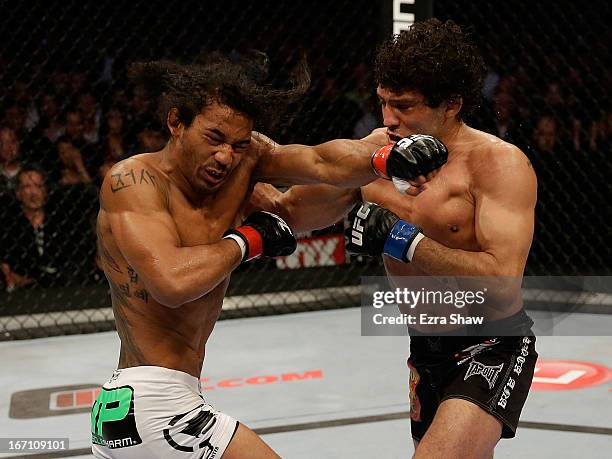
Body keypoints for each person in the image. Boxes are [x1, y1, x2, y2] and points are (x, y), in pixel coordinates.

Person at [92, 56, 420, 459]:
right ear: (176, 122)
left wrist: (379, 159)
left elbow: (317, 167)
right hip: (155, 405)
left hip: (140, 406)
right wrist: (247, 239)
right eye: (214, 138)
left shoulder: (241, 163)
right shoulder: (133, 182)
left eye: (239, 144)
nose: (226, 156)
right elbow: (171, 283)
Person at [256, 18, 538, 458]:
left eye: (404, 106)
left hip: (493, 341)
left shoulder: (497, 165)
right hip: (424, 346)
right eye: (384, 102)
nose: (389, 119)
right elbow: (292, 213)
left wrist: (406, 242)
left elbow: (503, 282)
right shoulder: (374, 154)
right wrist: (243, 155)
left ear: (451, 104)